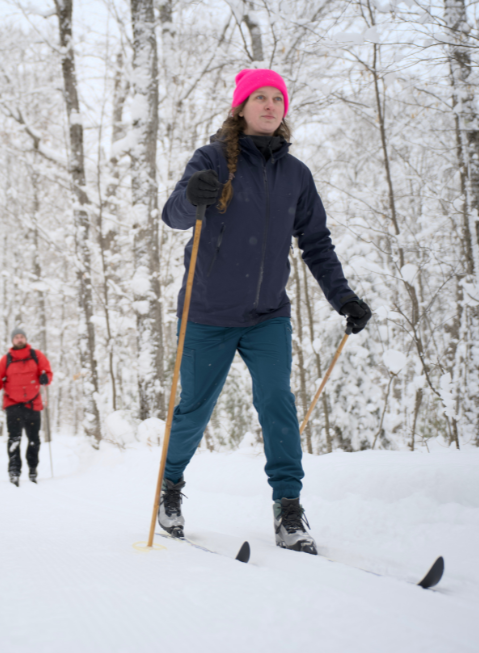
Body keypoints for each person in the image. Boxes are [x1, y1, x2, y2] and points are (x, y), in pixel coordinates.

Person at [158, 69, 372, 554]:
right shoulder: (212, 159)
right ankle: (168, 492)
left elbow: (315, 242)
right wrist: (193, 197)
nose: (271, 105)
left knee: (277, 404)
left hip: (267, 316)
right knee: (193, 409)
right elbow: (173, 215)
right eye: (260, 97)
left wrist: (344, 298)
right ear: (241, 107)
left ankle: (288, 509)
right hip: (207, 313)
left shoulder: (296, 175)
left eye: (278, 98)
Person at [0, 329, 53, 487]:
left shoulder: (36, 356)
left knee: (34, 440)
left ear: (25, 339)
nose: (19, 339)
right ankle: (14, 472)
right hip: (13, 405)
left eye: (21, 336)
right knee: (14, 440)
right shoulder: (6, 360)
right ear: (12, 341)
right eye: (16, 337)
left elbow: (48, 373)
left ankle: (32, 470)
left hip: (33, 404)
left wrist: (45, 378)